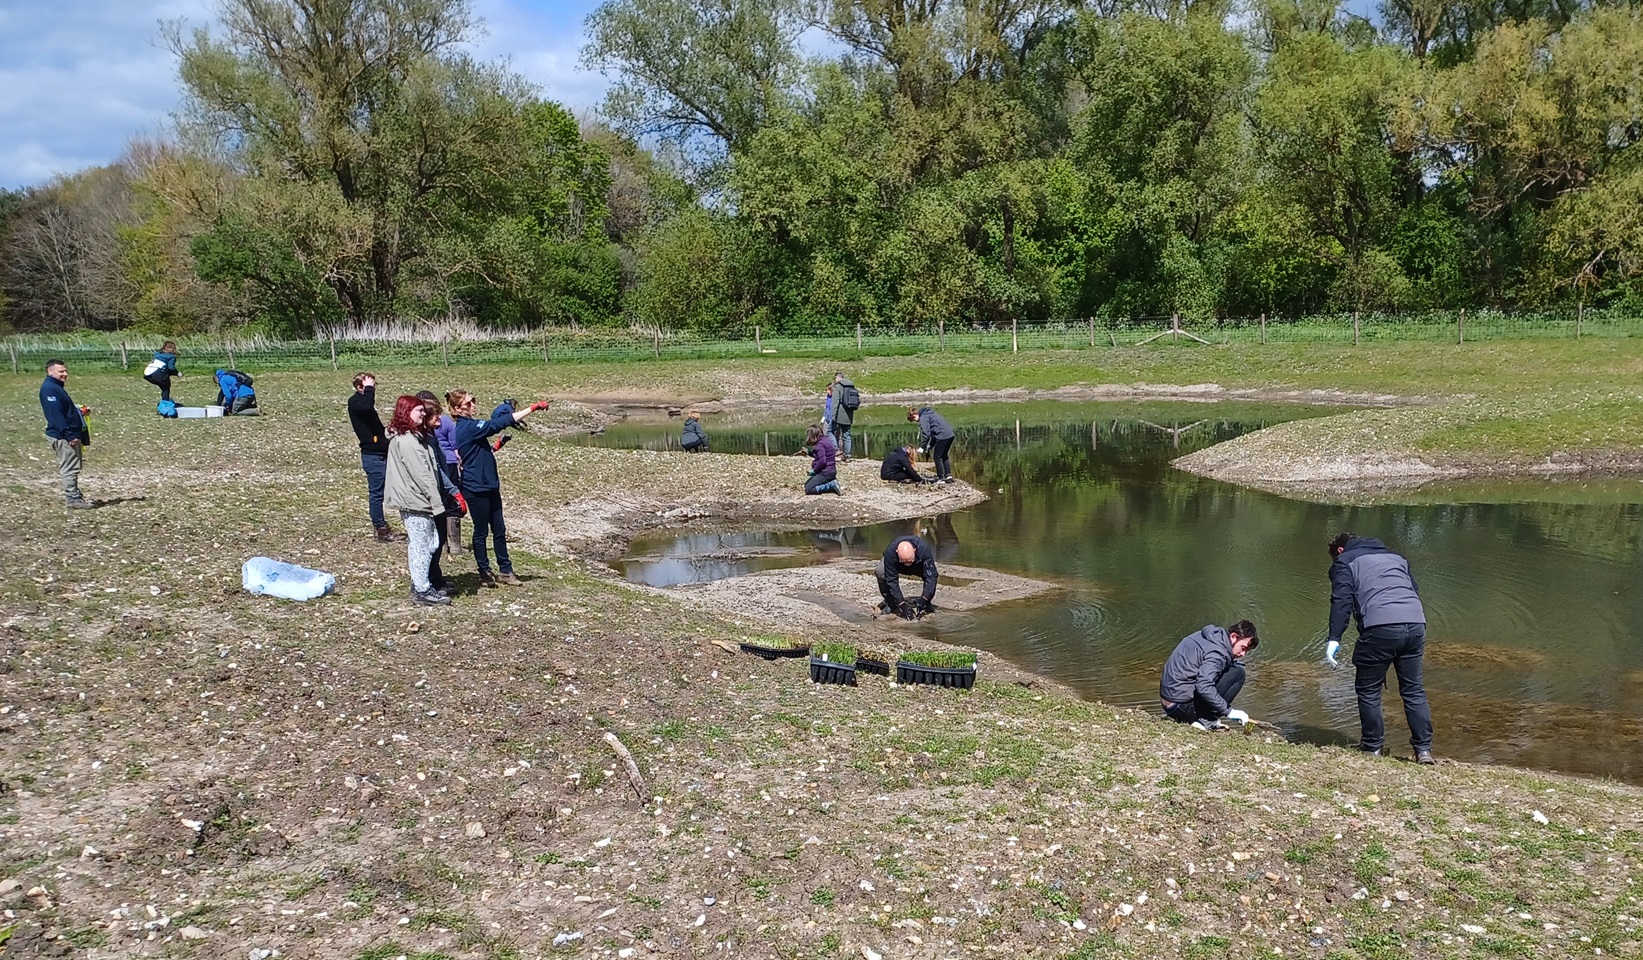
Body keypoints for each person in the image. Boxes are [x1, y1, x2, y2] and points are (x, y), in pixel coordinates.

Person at [1325, 533, 1435, 764]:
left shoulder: (1345, 562)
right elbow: (1413, 590)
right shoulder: (1397, 557)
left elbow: (1342, 601)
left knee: (1368, 689)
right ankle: (1423, 751)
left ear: (1340, 551)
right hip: (1416, 624)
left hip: (1380, 627)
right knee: (1413, 690)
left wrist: (1334, 638)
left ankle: (1373, 748)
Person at [449, 389, 548, 587]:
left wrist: (495, 447)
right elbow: (496, 424)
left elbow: (477, 452)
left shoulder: (471, 426)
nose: (473, 405)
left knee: (499, 530)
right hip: (475, 487)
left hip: (490, 484)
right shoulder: (466, 427)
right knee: (481, 531)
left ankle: (505, 571)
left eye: (473, 400)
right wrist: (532, 408)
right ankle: (484, 572)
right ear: (457, 409)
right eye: (468, 403)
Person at [383, 395, 452, 606]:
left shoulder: (414, 437)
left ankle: (421, 582)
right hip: (414, 500)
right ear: (406, 412)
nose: (423, 414)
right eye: (418, 411)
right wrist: (437, 503)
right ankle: (422, 589)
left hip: (417, 500)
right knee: (422, 545)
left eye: (423, 410)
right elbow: (423, 474)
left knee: (430, 542)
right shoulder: (408, 441)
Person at [1159, 621, 1260, 730]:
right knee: (1238, 673)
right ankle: (1206, 719)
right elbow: (1203, 686)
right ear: (1234, 637)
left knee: (1233, 666)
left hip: (1168, 702)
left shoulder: (1209, 636)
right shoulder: (1218, 653)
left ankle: (1197, 717)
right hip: (1180, 706)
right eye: (1243, 648)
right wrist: (1229, 712)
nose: (1243, 654)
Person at [349, 373, 402, 543]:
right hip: (373, 457)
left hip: (379, 453)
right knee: (376, 494)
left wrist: (387, 432)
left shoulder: (363, 403)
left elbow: (373, 424)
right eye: (369, 385)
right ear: (359, 387)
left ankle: (382, 526)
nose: (373, 388)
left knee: (384, 491)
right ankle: (380, 528)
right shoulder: (356, 402)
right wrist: (369, 389)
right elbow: (366, 406)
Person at [417, 391, 464, 575]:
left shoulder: (433, 432)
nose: (439, 417)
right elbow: (453, 447)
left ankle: (437, 572)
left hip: (446, 470)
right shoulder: (423, 439)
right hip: (443, 476)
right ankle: (453, 545)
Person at [39, 359, 93, 509]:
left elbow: (63, 408)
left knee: (74, 466)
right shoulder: (50, 389)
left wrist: (78, 411)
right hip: (63, 436)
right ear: (50, 372)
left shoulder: (56, 387)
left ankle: (75, 495)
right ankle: (73, 499)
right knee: (70, 468)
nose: (65, 374)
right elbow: (55, 416)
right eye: (61, 371)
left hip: (67, 434)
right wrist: (69, 435)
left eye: (65, 371)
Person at [430, 390, 463, 554]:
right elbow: (455, 446)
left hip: (435, 465)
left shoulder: (424, 424)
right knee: (451, 501)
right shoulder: (447, 422)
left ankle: (441, 543)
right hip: (449, 463)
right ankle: (455, 544)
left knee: (439, 501)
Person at [876, 534, 938, 619]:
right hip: (898, 565)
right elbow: (892, 581)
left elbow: (931, 577)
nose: (907, 564)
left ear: (915, 550)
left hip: (917, 565)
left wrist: (924, 599)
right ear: (897, 552)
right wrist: (903, 606)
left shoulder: (923, 549)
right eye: (905, 562)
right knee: (880, 571)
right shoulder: (890, 552)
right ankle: (890, 603)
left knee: (930, 575)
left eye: (909, 561)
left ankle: (927, 603)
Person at [909, 405, 956, 483]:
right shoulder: (929, 414)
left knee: (937, 457)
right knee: (944, 455)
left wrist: (922, 447)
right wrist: (930, 446)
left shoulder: (923, 418)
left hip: (943, 435)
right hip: (950, 434)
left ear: (914, 415)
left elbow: (926, 434)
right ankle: (948, 475)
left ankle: (940, 477)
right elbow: (933, 433)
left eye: (914, 419)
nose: (916, 421)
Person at [803, 423, 841, 495]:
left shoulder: (820, 445)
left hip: (825, 472)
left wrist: (814, 471)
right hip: (831, 470)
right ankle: (831, 480)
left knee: (809, 489)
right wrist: (808, 453)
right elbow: (820, 455)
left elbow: (822, 461)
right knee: (806, 484)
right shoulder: (825, 440)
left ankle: (831, 485)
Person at [831, 373, 858, 461]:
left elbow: (835, 402)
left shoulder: (837, 387)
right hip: (849, 414)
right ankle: (848, 455)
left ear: (837, 378)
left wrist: (833, 416)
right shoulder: (851, 386)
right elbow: (858, 400)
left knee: (833, 432)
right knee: (847, 435)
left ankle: (836, 451)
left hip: (839, 414)